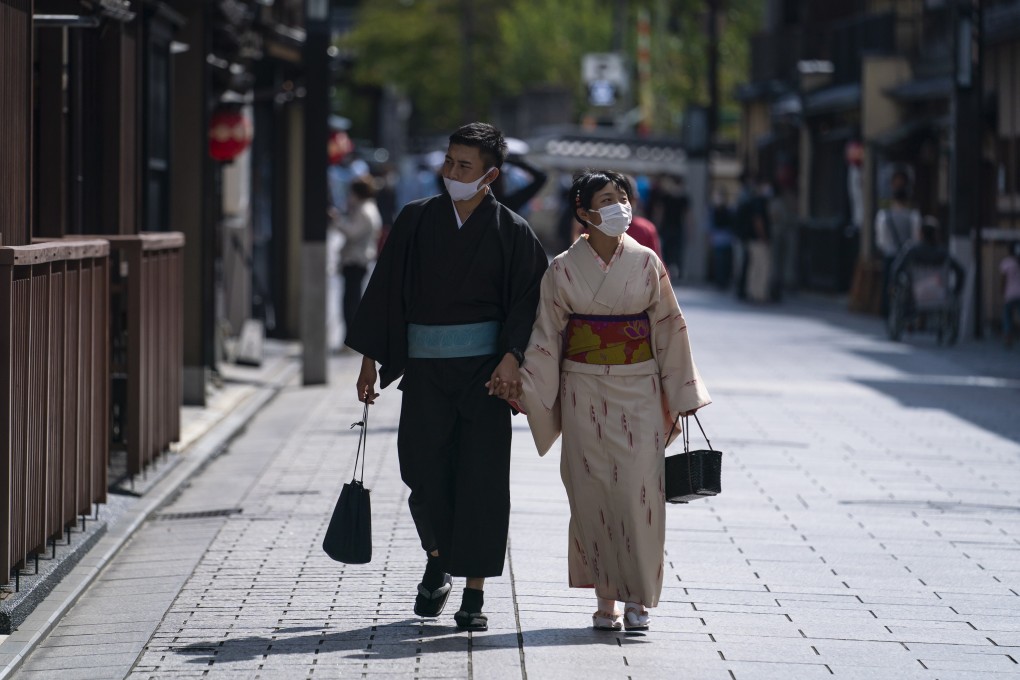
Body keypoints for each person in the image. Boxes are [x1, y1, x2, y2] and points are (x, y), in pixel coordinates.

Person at [346, 123, 549, 631]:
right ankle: (438, 555)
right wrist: (371, 358)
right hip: (426, 370)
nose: (453, 173)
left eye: (465, 166)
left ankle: (474, 595)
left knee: (481, 477)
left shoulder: (513, 232)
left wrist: (512, 356)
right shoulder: (415, 220)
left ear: (490, 175)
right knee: (421, 468)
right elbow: (386, 289)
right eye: (450, 162)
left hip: (485, 375)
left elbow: (530, 302)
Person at [513, 169, 712, 633]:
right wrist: (525, 386)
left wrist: (681, 391)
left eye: (622, 197)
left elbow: (669, 328)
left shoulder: (646, 263)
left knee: (640, 493)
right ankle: (606, 599)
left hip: (639, 387)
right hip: (582, 387)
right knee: (592, 492)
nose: (619, 206)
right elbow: (546, 335)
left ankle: (639, 597)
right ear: (583, 212)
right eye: (606, 199)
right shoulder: (562, 268)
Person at [337, 177, 383, 344]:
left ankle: (352, 339)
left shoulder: (364, 211)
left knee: (351, 302)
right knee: (352, 300)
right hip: (359, 259)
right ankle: (352, 338)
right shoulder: (369, 208)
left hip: (356, 260)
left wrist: (337, 221)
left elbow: (352, 233)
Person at [875, 170, 921, 316]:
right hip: (907, 255)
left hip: (890, 254)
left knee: (888, 282)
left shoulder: (884, 215)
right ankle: (909, 310)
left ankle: (886, 310)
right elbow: (916, 237)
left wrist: (884, 247)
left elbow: (881, 239)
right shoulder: (912, 215)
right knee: (909, 283)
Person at [1000, 241, 1020, 347]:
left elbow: (1003, 279)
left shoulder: (1007, 262)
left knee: (1007, 316)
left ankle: (1008, 337)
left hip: (1010, 293)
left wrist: (1002, 290)